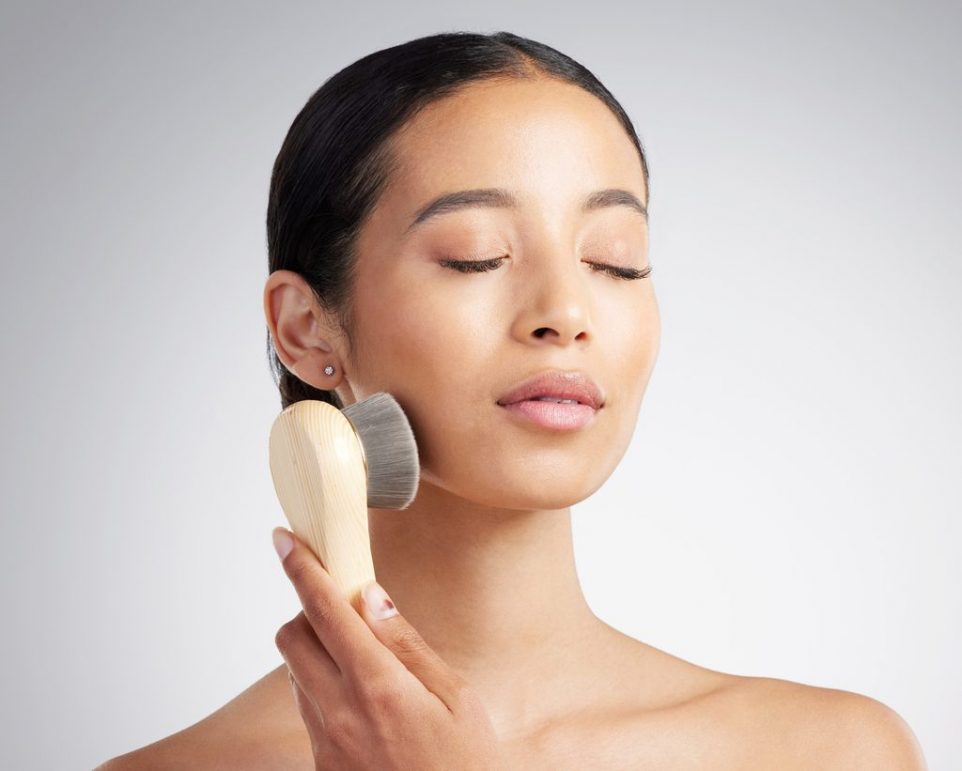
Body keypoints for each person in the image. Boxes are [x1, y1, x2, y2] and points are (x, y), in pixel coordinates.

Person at [97, 30, 926, 769]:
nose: (565, 314)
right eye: (475, 255)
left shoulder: (832, 752)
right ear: (308, 328)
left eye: (616, 260)